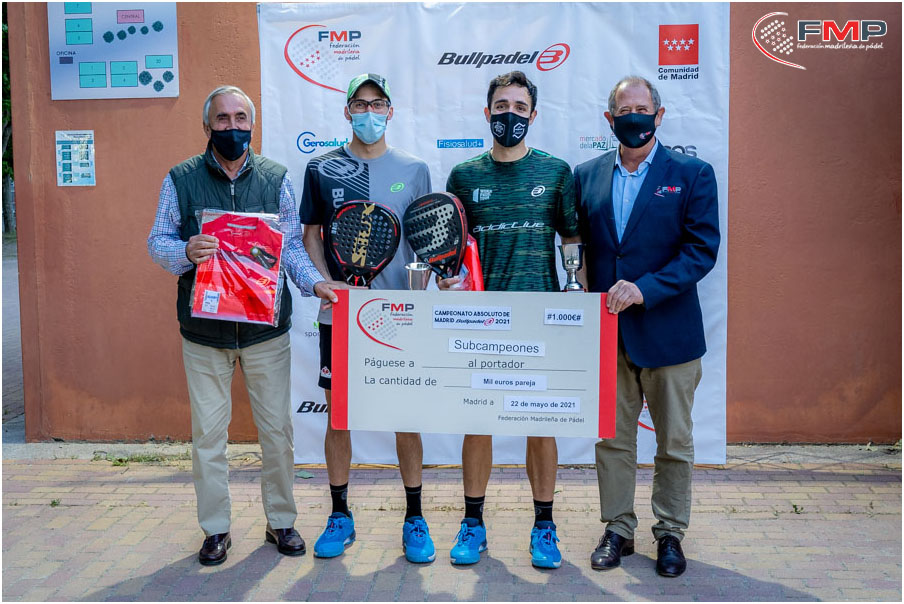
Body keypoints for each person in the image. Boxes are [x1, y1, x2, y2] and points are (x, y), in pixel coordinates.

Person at [148, 85, 346, 566]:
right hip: (205, 335)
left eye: (240, 118)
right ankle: (215, 529)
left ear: (252, 125)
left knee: (277, 432)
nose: (232, 126)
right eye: (222, 119)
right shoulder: (181, 179)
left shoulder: (276, 178)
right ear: (207, 125)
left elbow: (291, 246)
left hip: (264, 332)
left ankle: (281, 521)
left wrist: (315, 283)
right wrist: (184, 250)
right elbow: (157, 240)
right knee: (208, 438)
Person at [574, 76, 720, 577]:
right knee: (612, 441)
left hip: (670, 333)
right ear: (609, 118)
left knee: (673, 443)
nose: (632, 116)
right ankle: (617, 529)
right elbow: (579, 249)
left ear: (659, 116)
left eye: (642, 108)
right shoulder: (586, 176)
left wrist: (645, 289)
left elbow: (701, 251)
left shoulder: (692, 174)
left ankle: (670, 533)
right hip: (609, 334)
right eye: (623, 110)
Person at [442, 71, 582, 569]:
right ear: (487, 113)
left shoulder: (557, 172)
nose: (510, 115)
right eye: (501, 106)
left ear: (533, 115)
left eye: (520, 108)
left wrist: (577, 300)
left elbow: (571, 240)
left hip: (540, 319)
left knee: (540, 426)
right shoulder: (463, 176)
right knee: (478, 423)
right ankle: (473, 524)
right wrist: (447, 280)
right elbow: (452, 251)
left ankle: (544, 526)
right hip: (481, 321)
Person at [299, 73, 436, 563]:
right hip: (339, 316)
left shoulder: (415, 169)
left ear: (390, 111)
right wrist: (325, 282)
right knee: (339, 416)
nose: (369, 112)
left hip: (399, 318)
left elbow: (424, 239)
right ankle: (340, 515)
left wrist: (419, 296)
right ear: (347, 111)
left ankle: (415, 517)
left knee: (406, 419)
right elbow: (310, 233)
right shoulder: (322, 168)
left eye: (378, 104)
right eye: (360, 104)